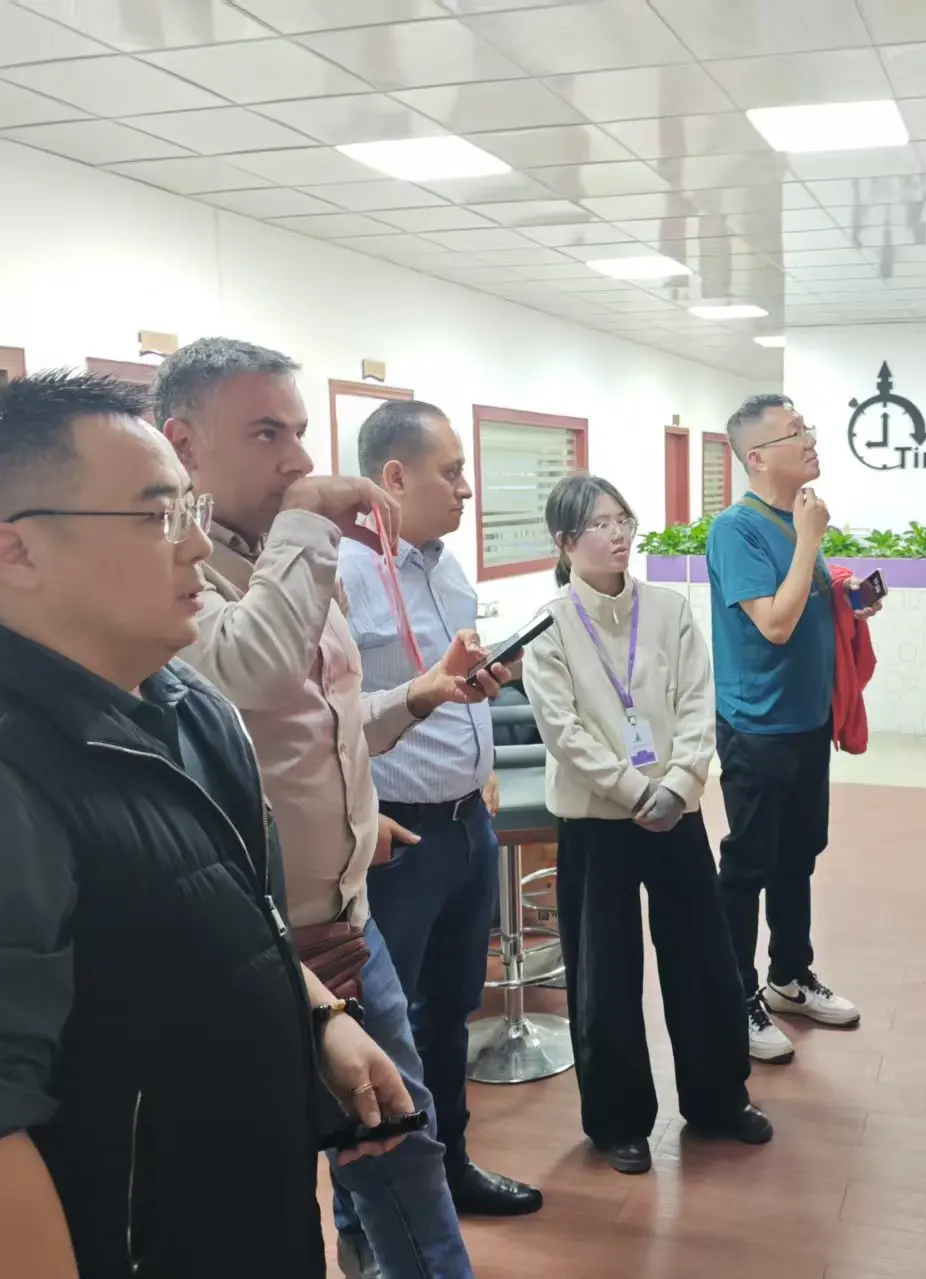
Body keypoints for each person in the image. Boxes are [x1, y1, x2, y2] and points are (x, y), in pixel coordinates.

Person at [0, 371, 415, 1279]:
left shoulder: (187, 705)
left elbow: (231, 917)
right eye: (157, 517)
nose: (197, 545)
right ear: (17, 551)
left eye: (191, 509)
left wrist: (319, 1019)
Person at [156, 340, 506, 1279]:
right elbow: (249, 672)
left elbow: (322, 721)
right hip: (257, 939)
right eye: (266, 434)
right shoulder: (172, 574)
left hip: (347, 912)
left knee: (391, 1139)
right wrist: (309, 520)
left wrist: (419, 699)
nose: (299, 460)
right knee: (312, 1172)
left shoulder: (287, 555)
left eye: (301, 433)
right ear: (182, 444)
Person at [523, 475, 770, 1174]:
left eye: (622, 519)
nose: (617, 534)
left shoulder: (668, 609)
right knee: (605, 972)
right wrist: (635, 789)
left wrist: (681, 783)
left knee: (704, 960)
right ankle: (617, 1121)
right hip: (598, 820)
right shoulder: (549, 626)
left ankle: (718, 1100)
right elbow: (563, 731)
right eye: (599, 524)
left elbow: (697, 700)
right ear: (565, 543)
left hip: (676, 811)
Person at [336, 398, 542, 1216]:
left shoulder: (444, 567)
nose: (466, 489)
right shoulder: (340, 576)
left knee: (450, 1010)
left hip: (466, 822)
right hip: (395, 835)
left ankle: (449, 1166)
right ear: (394, 476)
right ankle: (368, 1219)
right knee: (377, 1029)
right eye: (451, 472)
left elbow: (445, 679)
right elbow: (327, 718)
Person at [706, 393, 882, 1064]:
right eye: (794, 433)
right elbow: (774, 624)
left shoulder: (794, 518)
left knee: (797, 855)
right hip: (759, 726)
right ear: (757, 458)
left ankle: (789, 976)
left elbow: (801, 598)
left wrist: (847, 598)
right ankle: (735, 997)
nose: (809, 439)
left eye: (807, 428)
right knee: (748, 865)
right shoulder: (737, 529)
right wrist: (810, 539)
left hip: (809, 719)